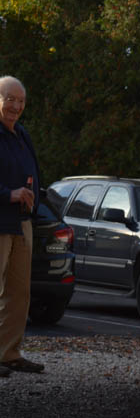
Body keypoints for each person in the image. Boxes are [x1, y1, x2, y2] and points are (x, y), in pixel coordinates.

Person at [0, 75, 44, 376]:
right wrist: (8, 194)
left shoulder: (22, 134)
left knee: (19, 293)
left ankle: (8, 353)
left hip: (22, 223)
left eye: (21, 100)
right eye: (9, 99)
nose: (16, 105)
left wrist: (34, 200)